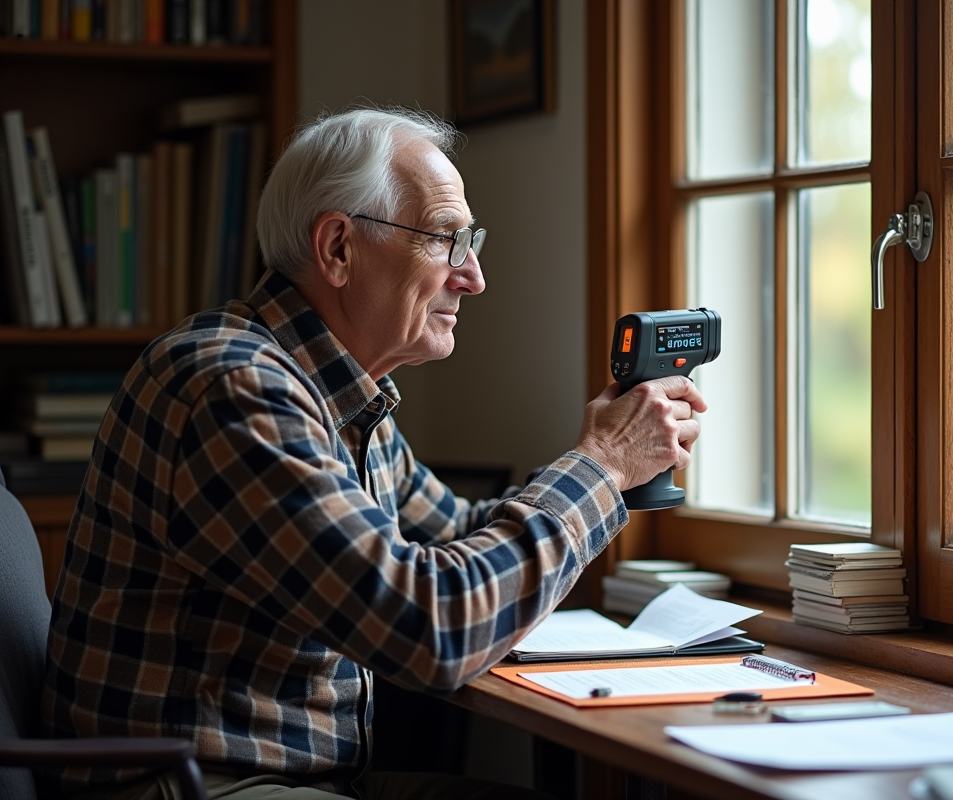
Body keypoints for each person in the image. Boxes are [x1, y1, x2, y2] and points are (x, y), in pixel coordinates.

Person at [38, 107, 706, 800]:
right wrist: (601, 467)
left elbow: (457, 533)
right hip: (197, 789)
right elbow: (433, 627)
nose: (473, 276)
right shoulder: (236, 389)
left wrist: (621, 465)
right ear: (337, 249)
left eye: (470, 241)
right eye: (447, 240)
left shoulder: (342, 390)